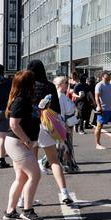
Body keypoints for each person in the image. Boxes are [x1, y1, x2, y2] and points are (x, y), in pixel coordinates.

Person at [26, 60, 74, 205]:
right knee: (54, 161)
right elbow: (57, 109)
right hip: (47, 126)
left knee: (30, 165)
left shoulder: (27, 86)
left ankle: (25, 199)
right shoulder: (50, 86)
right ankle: (65, 193)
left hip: (31, 128)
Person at [3, 70, 43, 220]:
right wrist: (26, 139)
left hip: (18, 142)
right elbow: (14, 124)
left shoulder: (24, 98)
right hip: (17, 143)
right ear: (28, 84)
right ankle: (27, 210)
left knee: (21, 178)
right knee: (35, 175)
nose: (35, 84)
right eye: (33, 82)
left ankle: (10, 211)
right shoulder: (20, 100)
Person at [55, 75, 79, 173]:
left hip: (68, 121)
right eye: (66, 83)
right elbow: (61, 113)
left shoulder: (63, 95)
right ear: (61, 84)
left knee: (65, 145)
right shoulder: (60, 96)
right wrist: (63, 125)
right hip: (65, 122)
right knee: (65, 146)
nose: (67, 85)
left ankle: (68, 165)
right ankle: (67, 166)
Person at [94, 72, 111, 149]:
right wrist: (99, 106)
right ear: (103, 76)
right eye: (107, 75)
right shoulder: (99, 85)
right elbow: (96, 97)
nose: (109, 76)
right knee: (99, 126)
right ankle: (98, 144)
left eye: (109, 75)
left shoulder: (110, 85)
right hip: (103, 109)